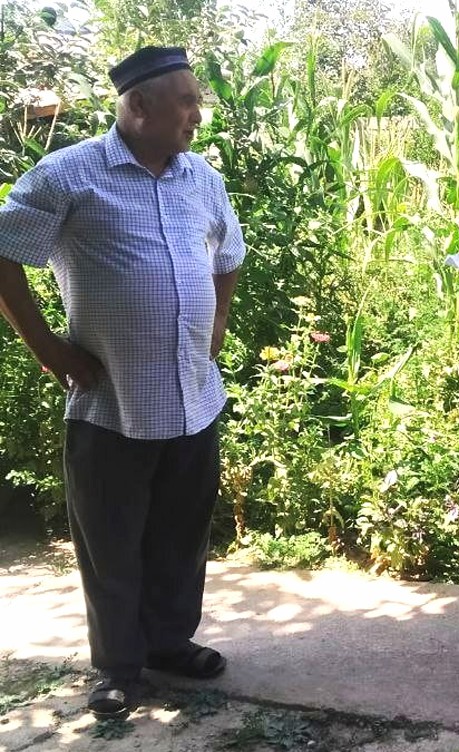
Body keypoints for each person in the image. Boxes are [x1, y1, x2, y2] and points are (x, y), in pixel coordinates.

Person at [0, 46, 246, 717]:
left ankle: (169, 643)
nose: (198, 114)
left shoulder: (200, 179)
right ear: (139, 107)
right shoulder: (69, 175)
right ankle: (116, 666)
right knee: (110, 542)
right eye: (188, 101)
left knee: (181, 534)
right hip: (113, 401)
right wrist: (47, 345)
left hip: (194, 394)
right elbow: (4, 253)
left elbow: (228, 254)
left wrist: (217, 321)